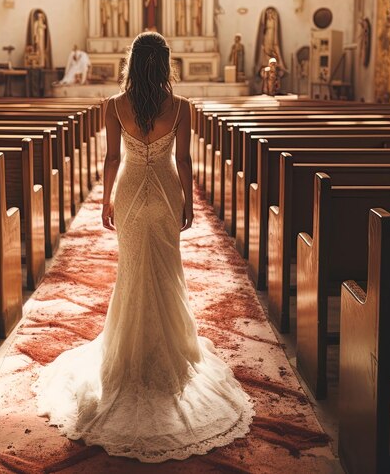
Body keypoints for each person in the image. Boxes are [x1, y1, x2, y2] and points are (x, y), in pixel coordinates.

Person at [34, 32, 254, 462]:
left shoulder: (115, 105)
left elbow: (112, 159)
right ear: (166, 64)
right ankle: (167, 354)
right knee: (168, 272)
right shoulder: (182, 108)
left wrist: (106, 201)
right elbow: (186, 160)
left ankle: (129, 359)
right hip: (168, 192)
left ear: (131, 63)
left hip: (131, 190)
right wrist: (189, 202)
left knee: (132, 272)